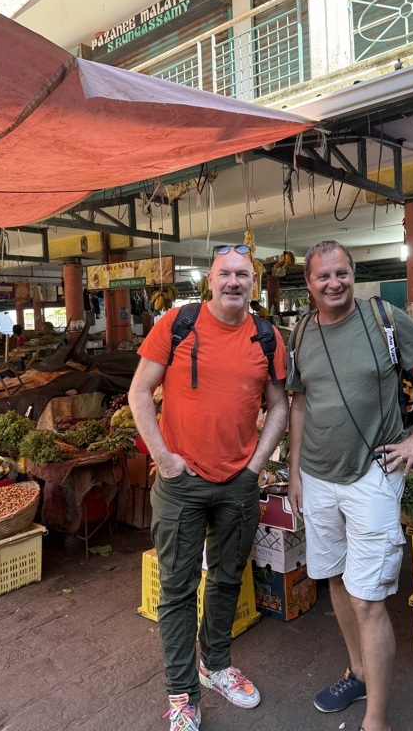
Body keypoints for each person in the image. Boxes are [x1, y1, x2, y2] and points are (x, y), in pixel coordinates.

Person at [286, 241, 413, 731]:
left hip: (373, 474)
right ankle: (359, 671)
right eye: (323, 276)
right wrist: (295, 473)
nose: (334, 283)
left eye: (341, 273)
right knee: (339, 584)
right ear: (309, 283)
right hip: (319, 480)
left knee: (368, 600)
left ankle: (376, 722)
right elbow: (299, 404)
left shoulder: (384, 318)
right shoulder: (299, 331)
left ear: (353, 273)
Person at [128, 244, 288, 731]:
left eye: (244, 275)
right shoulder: (177, 323)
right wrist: (165, 458)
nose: (234, 282)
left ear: (253, 284)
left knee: (226, 578)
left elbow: (279, 405)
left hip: (238, 484)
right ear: (211, 280)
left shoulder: (267, 337)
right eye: (226, 274)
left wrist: (255, 465)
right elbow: (139, 391)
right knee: (177, 591)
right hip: (181, 485)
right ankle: (182, 695)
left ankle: (216, 665)